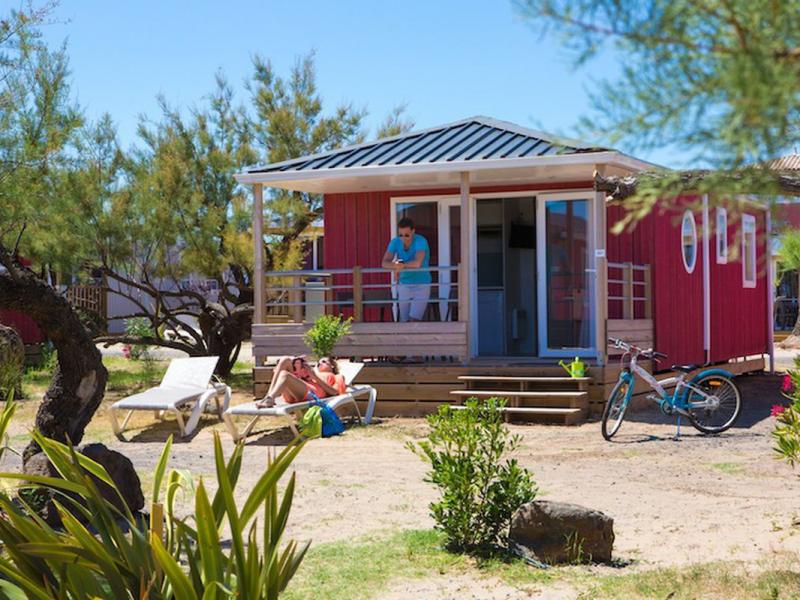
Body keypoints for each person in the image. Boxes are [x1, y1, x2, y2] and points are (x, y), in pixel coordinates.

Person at [381, 217, 431, 322]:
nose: (404, 238)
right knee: (404, 320)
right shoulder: (395, 242)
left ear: (413, 231)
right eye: (401, 235)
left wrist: (400, 265)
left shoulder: (420, 241)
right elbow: (384, 263)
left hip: (421, 284)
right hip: (404, 284)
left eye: (407, 235)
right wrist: (396, 265)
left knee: (414, 319)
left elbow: (417, 263)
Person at [256, 355, 344, 408]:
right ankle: (268, 396)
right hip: (299, 391)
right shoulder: (312, 372)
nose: (319, 364)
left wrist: (314, 377)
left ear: (332, 366)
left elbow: (334, 392)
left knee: (284, 374)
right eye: (318, 362)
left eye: (324, 362)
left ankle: (270, 399)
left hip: (312, 394)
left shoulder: (336, 376)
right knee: (285, 360)